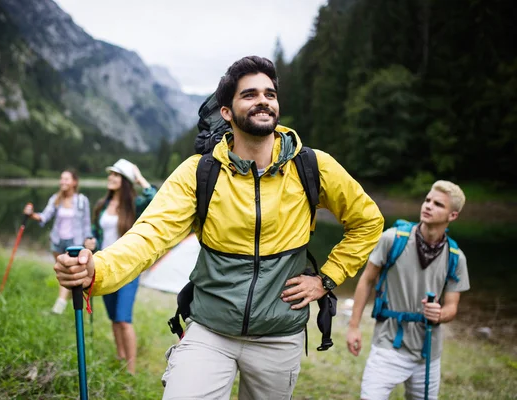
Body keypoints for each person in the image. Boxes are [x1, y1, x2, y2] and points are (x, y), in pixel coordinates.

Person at [54, 56, 384, 399]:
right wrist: (98, 269)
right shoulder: (200, 173)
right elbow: (150, 235)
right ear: (226, 111)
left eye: (270, 94)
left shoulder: (313, 166)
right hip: (210, 330)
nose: (263, 101)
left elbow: (367, 221)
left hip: (279, 336)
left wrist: (326, 279)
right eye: (250, 94)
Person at [346, 180, 470, 400]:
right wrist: (354, 326)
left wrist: (440, 314)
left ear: (453, 216)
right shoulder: (392, 239)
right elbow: (366, 280)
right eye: (427, 200)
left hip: (427, 352)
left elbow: (452, 306)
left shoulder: (455, 257)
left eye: (438, 204)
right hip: (388, 344)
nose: (428, 206)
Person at [90, 159, 157, 375]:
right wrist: (89, 242)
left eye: (117, 175)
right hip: (104, 266)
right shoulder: (101, 205)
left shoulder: (134, 206)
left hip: (128, 268)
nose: (111, 177)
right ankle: (119, 356)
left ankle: (131, 370)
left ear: (126, 181)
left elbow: (154, 199)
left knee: (123, 319)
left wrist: (139, 178)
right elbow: (94, 232)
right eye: (111, 174)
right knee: (113, 318)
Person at [23, 169, 94, 314]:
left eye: (66, 179)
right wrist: (31, 215)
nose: (63, 181)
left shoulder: (82, 200)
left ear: (74, 182)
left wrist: (89, 239)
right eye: (62, 179)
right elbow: (44, 217)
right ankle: (66, 303)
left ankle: (59, 308)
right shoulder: (56, 199)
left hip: (75, 243)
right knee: (64, 273)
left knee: (73, 274)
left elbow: (87, 223)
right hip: (57, 241)